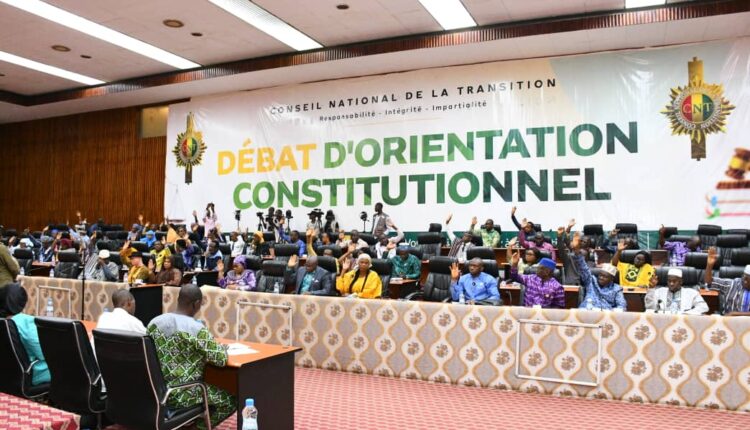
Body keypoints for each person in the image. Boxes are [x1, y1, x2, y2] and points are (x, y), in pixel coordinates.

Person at [148, 285, 235, 428]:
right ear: (196, 304)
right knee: (230, 401)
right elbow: (220, 360)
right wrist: (222, 349)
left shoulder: (154, 323)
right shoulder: (196, 329)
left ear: (178, 300)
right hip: (185, 393)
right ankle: (199, 427)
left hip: (156, 392)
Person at [3, 283, 50, 385]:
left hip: (5, 374)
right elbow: (43, 353)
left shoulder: (3, 321)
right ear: (23, 302)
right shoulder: (25, 322)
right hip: (29, 374)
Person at [569, 233, 626, 310]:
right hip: (586, 312)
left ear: (612, 279)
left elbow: (622, 306)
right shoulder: (591, 281)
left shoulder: (616, 289)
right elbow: (583, 267)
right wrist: (577, 251)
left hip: (605, 315)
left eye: (605, 276)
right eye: (600, 275)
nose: (601, 278)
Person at [705, 247, 750, 316]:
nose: (745, 281)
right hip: (728, 320)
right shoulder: (732, 284)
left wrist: (735, 314)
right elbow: (709, 281)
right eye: (744, 277)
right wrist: (709, 266)